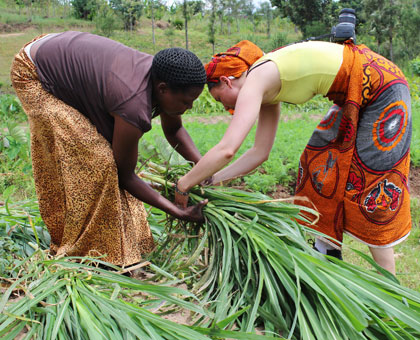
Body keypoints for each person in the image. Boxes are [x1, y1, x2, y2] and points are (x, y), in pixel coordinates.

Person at [174, 39, 412, 275]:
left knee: (373, 182)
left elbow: (228, 148)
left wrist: (184, 185)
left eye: (218, 99)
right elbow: (260, 152)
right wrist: (212, 179)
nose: (225, 107)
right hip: (357, 89)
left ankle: (389, 290)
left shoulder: (256, 78)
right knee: (316, 163)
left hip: (381, 87)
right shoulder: (267, 85)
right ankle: (327, 253)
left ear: (226, 82)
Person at [11, 31, 208, 267]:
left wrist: (205, 168)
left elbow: (174, 130)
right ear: (163, 89)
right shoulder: (133, 103)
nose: (190, 107)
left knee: (107, 159)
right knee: (100, 163)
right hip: (33, 72)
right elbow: (125, 176)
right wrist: (179, 212)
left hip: (57, 53)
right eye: (187, 102)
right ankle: (85, 248)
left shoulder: (160, 77)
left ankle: (117, 242)